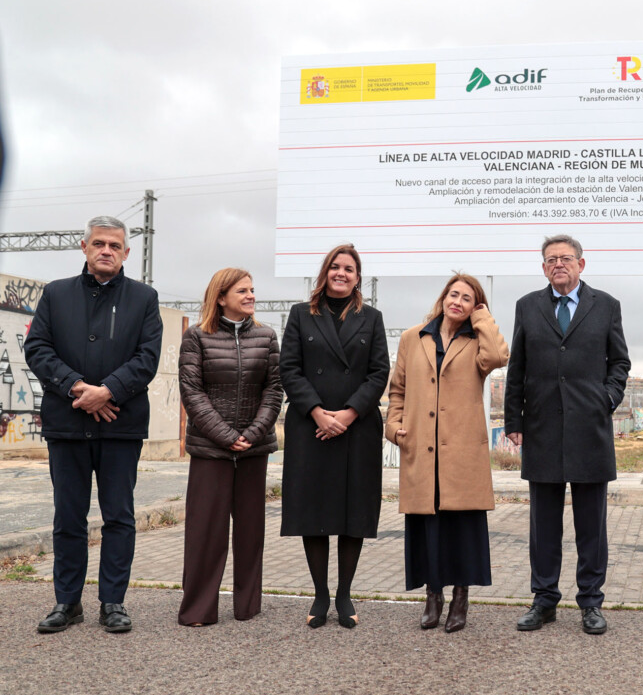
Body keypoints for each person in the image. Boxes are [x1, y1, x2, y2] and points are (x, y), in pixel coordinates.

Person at [25, 215, 163, 634]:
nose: (106, 250)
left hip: (121, 425)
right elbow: (38, 348)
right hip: (66, 425)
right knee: (68, 517)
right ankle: (67, 603)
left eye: (115, 245)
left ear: (126, 253)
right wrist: (77, 388)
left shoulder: (144, 298)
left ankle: (113, 602)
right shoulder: (56, 293)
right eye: (99, 243)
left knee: (119, 516)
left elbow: (147, 357)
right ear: (84, 247)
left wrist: (108, 392)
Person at [504, 234, 630, 635]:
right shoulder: (527, 306)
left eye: (565, 258)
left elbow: (620, 362)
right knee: (543, 527)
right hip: (541, 429)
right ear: (543, 268)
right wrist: (513, 421)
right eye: (551, 259)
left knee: (591, 526)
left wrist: (605, 399)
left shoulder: (606, 305)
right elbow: (517, 368)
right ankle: (544, 601)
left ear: (581, 264)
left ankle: (591, 602)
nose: (558, 264)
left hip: (590, 429)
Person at [386, 274, 509, 633]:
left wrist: (483, 318)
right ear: (443, 298)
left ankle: (460, 597)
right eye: (453, 294)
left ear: (475, 307)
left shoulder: (477, 341)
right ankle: (433, 595)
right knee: (428, 527)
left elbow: (499, 356)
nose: (457, 301)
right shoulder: (413, 337)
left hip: (462, 451)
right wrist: (393, 426)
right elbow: (398, 390)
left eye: (467, 298)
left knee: (462, 530)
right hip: (421, 447)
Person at [279, 244, 390, 629]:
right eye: (335, 267)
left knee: (352, 512)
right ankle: (320, 595)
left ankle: (344, 594)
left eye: (349, 269)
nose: (341, 273)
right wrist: (316, 411)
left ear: (357, 278)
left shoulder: (372, 318)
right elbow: (289, 369)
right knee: (314, 511)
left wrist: (348, 413)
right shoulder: (300, 315)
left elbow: (379, 372)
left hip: (356, 427)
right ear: (325, 272)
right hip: (310, 426)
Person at [176, 268, 283, 626]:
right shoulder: (196, 337)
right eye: (242, 291)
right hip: (210, 449)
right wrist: (225, 435)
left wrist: (253, 433)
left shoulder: (267, 337)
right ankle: (198, 610)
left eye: (252, 290)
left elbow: (274, 389)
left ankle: (247, 607)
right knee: (206, 532)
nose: (251, 296)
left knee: (251, 531)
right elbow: (192, 392)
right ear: (221, 297)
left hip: (254, 449)